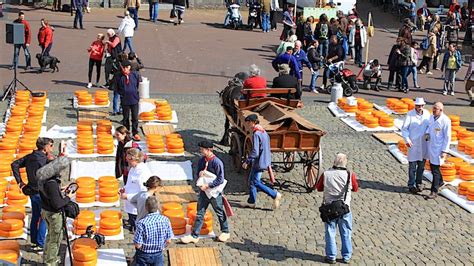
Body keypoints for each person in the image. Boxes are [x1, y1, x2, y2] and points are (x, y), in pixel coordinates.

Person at [181, 140, 230, 243]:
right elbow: (198, 172)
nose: (201, 151)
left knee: (219, 212)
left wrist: (208, 185)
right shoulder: (202, 160)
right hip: (204, 191)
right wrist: (200, 175)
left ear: (209, 150)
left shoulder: (217, 162)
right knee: (200, 213)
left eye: (202, 149)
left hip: (214, 192)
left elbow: (220, 179)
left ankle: (225, 231)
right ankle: (195, 236)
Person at [11, 138, 54, 253]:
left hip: (32, 191)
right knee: (44, 217)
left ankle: (34, 241)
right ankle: (40, 243)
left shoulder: (30, 156)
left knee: (35, 216)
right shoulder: (44, 160)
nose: (52, 148)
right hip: (42, 192)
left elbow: (14, 164)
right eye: (51, 145)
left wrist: (20, 182)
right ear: (45, 147)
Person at [315, 153, 359, 264]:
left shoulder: (326, 174)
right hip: (344, 208)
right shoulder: (350, 174)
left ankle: (331, 256)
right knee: (346, 233)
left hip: (329, 208)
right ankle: (346, 256)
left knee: (330, 232)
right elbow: (355, 188)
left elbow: (319, 188)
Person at [242, 114, 282, 209]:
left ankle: (274, 194)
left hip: (259, 162)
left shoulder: (256, 134)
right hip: (265, 160)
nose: (247, 125)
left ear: (253, 122)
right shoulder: (264, 132)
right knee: (252, 181)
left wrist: (247, 161)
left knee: (255, 182)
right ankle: (251, 202)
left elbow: (255, 151)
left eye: (248, 123)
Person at [39, 157, 73, 265]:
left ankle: (46, 258)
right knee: (55, 239)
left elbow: (49, 194)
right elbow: (57, 204)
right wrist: (68, 197)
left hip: (45, 211)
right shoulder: (52, 183)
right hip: (53, 214)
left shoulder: (43, 178)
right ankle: (51, 262)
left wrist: (60, 190)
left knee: (49, 237)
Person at [401, 98, 430, 193]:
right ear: (415, 106)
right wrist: (407, 140)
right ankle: (411, 184)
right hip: (413, 143)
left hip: (423, 144)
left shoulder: (427, 114)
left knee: (421, 167)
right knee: (412, 166)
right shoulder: (410, 114)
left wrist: (427, 134)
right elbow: (404, 129)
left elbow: (429, 127)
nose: (420, 108)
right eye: (418, 106)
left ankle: (419, 183)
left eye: (421, 106)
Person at [133, 197, 173, 265]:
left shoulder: (142, 223)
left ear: (146, 207)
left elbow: (138, 245)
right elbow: (168, 240)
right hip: (158, 254)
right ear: (158, 206)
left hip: (144, 255)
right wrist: (162, 246)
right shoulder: (165, 220)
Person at [120, 148, 152, 231]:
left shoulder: (143, 172)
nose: (127, 161)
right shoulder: (133, 168)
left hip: (137, 206)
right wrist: (124, 189)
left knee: (139, 228)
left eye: (128, 160)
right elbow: (130, 183)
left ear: (133, 159)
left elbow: (144, 192)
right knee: (133, 221)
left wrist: (128, 196)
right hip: (130, 204)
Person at [424, 102, 451, 199]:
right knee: (433, 167)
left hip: (439, 148)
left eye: (436, 109)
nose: (434, 110)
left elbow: (448, 137)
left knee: (434, 170)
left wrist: (445, 151)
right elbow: (429, 127)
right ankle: (440, 182)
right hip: (431, 145)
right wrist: (427, 134)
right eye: (433, 108)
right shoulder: (432, 117)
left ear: (441, 110)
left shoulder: (446, 121)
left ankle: (434, 191)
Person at [114, 60, 141, 140]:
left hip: (134, 99)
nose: (125, 69)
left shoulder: (135, 74)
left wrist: (135, 92)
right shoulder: (118, 76)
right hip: (125, 100)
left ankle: (135, 132)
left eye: (127, 67)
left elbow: (137, 84)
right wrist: (123, 93)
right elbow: (116, 88)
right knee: (125, 118)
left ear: (130, 67)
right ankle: (126, 133)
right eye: (123, 67)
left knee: (135, 117)